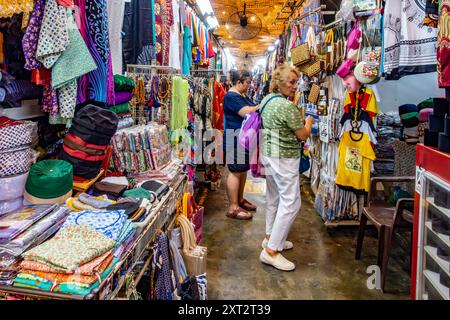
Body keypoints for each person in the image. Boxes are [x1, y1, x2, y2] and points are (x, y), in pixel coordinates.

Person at [259, 64, 315, 271]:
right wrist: (308, 121)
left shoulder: (267, 100)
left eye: (296, 82)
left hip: (269, 153)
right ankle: (271, 251)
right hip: (284, 157)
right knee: (291, 203)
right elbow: (302, 135)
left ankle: (270, 237)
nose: (295, 87)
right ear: (279, 82)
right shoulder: (287, 106)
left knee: (274, 197)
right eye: (291, 82)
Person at [223, 70, 259, 220]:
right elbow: (247, 112)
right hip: (234, 138)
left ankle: (239, 200)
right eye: (247, 82)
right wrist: (265, 103)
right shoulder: (231, 97)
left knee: (242, 171)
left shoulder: (241, 95)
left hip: (243, 139)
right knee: (235, 172)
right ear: (239, 82)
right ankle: (233, 207)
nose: (249, 85)